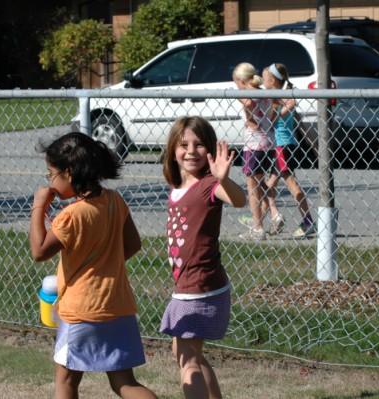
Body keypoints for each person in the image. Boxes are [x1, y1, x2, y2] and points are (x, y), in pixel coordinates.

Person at [29, 132, 157, 399]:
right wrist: (105, 264)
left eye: (50, 174)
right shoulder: (114, 201)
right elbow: (133, 245)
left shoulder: (71, 216)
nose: (49, 181)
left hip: (82, 311)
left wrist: (38, 207)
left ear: (69, 173)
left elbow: (39, 252)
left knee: (65, 382)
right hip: (118, 306)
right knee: (124, 383)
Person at [160, 116, 246, 399]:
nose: (191, 151)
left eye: (198, 144)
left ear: (209, 150)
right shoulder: (177, 188)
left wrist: (224, 179)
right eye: (184, 144)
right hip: (192, 285)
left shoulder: (209, 185)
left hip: (199, 286)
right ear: (173, 150)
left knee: (188, 360)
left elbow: (239, 200)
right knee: (185, 352)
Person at [262, 63, 316, 238]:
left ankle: (307, 220)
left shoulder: (280, 98)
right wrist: (312, 142)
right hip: (284, 145)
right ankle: (264, 220)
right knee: (269, 186)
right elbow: (299, 122)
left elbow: (290, 105)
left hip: (281, 146)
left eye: (264, 80)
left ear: (272, 81)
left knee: (290, 183)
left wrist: (276, 112)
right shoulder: (278, 98)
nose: (263, 84)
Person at [232, 62, 282, 240]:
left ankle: (258, 229)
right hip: (269, 142)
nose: (235, 87)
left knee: (252, 187)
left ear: (242, 81)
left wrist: (246, 110)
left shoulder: (249, 96)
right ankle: (274, 214)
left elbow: (252, 117)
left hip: (254, 144)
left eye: (236, 83)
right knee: (261, 185)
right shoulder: (265, 93)